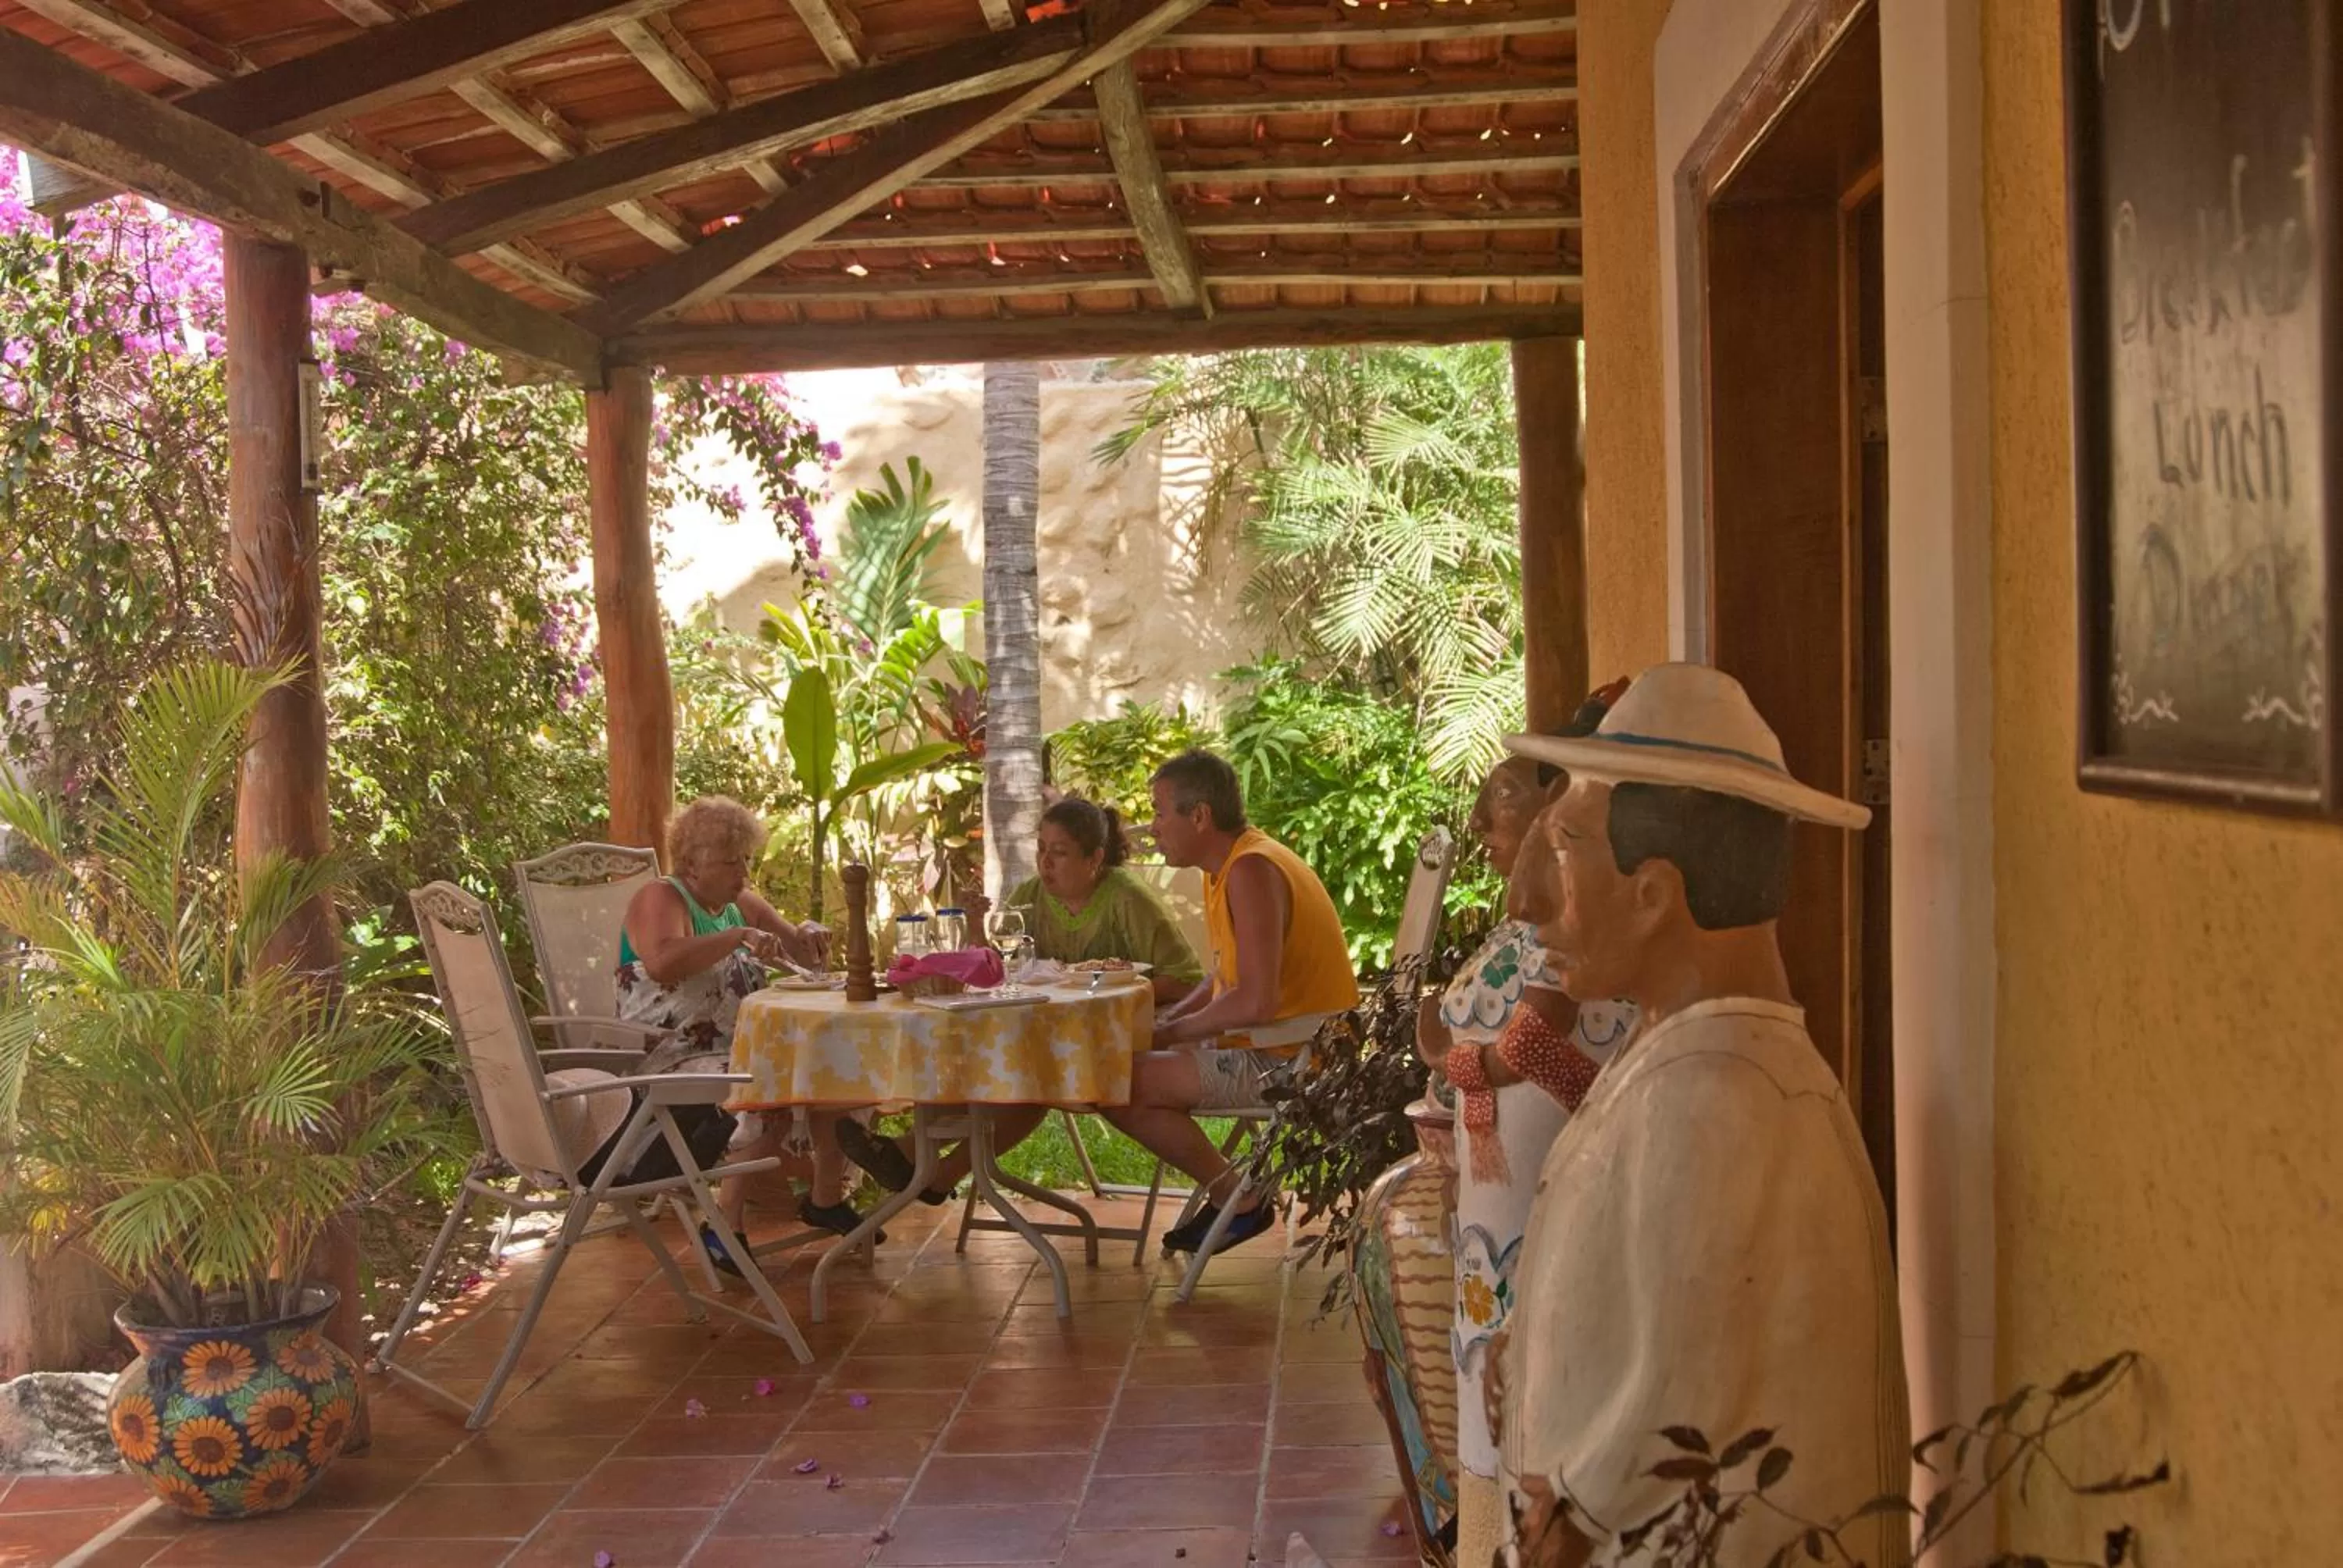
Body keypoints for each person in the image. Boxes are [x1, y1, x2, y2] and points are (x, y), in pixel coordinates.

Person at [1489, 665, 1908, 1568]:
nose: (1527, 902)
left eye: (1563, 850)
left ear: (1653, 894)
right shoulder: (1680, 1062)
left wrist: (1577, 1513)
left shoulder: (1719, 1093)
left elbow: (1690, 1374)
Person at [1411, 682, 1638, 1568]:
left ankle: (1517, 1535)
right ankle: (1488, 1535)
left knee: (1523, 1348)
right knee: (1492, 1340)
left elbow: (1541, 1039)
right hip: (1502, 1184)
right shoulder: (1550, 893)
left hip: (1534, 1170)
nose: (1484, 825)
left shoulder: (1581, 904)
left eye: (1506, 798)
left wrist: (1451, 1059)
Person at [836, 796, 1206, 1205]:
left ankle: (924, 1165)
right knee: (1004, 1064)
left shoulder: (1127, 899)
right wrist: (976, 925)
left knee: (1032, 1078)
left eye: (1059, 853)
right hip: (1047, 1037)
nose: (1045, 863)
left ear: (1095, 858)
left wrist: (1113, 987)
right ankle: (921, 1161)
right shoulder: (1033, 894)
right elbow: (996, 969)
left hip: (1109, 1042)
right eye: (1041, 849)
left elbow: (1186, 979)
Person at [1101, 749, 1358, 1256]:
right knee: (1114, 1071)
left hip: (1296, 1059)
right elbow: (1225, 975)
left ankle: (1238, 1199)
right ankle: (1235, 1195)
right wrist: (1173, 1017)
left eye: (1159, 812)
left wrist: (1172, 1032)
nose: (1153, 827)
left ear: (1200, 816)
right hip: (1276, 1044)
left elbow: (1256, 1001)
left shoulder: (1251, 870)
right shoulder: (1228, 865)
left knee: (1115, 1084)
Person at [615, 796, 874, 1256]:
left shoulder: (740, 904)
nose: (744, 872)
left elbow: (800, 957)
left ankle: (826, 1197)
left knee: (837, 1066)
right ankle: (723, 1224)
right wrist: (736, 938)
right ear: (692, 864)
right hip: (671, 1056)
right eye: (731, 862)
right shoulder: (662, 896)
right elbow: (662, 962)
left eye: (746, 859)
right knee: (768, 1079)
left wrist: (808, 935)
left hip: (738, 1047)